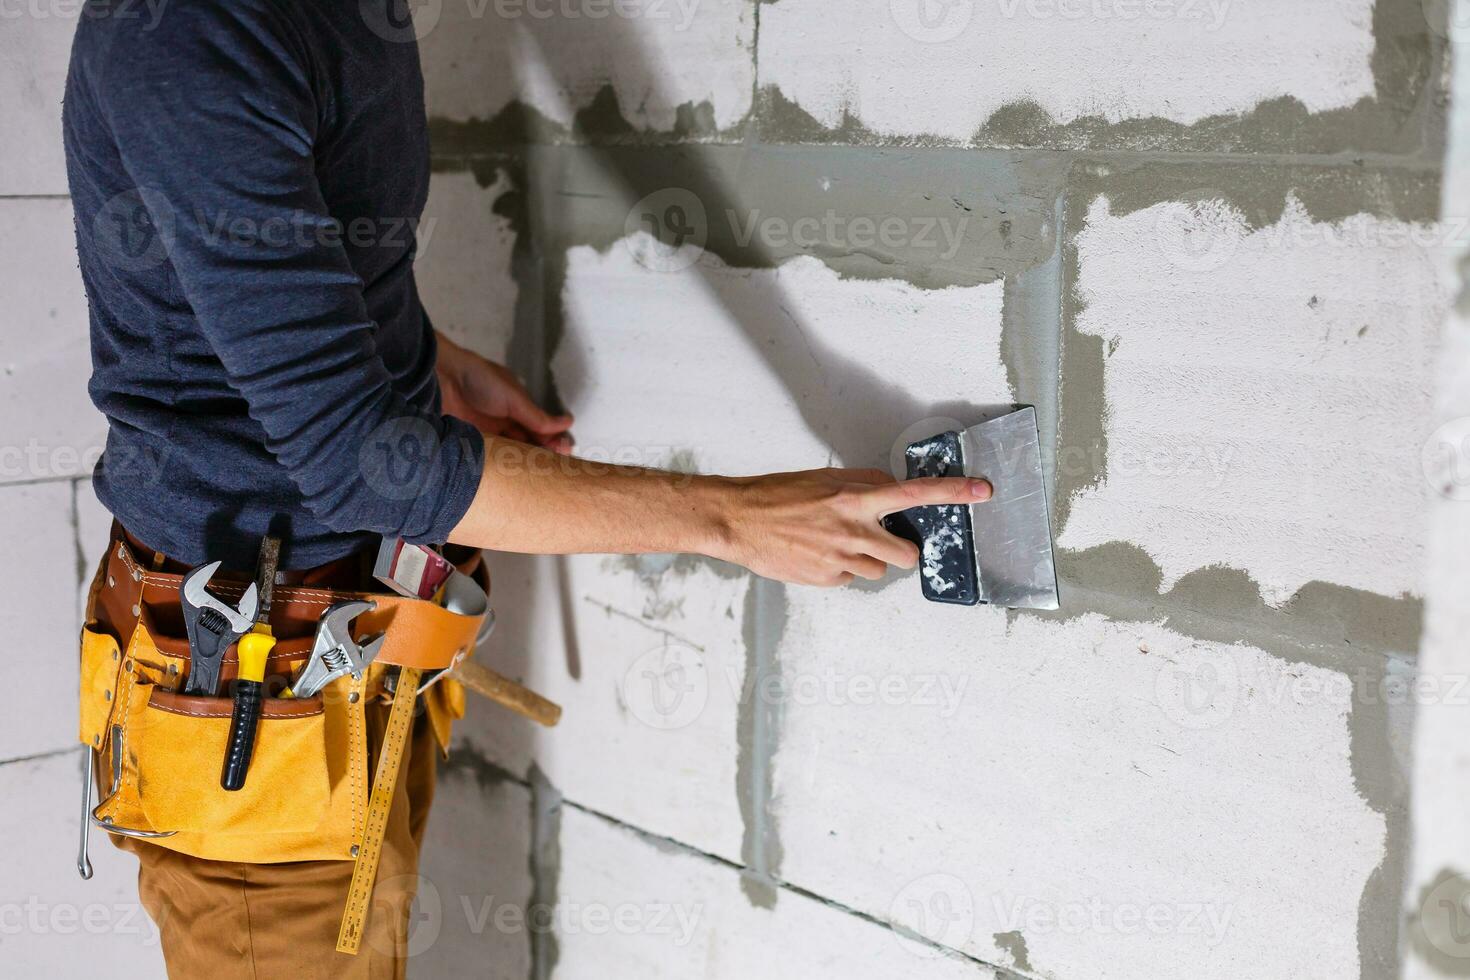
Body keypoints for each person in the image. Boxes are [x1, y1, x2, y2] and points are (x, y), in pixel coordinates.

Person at [63, 1, 990, 975]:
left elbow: (272, 254)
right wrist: (731, 517)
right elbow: (347, 452)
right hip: (253, 728)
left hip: (360, 663)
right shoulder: (191, 31)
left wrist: (421, 355)